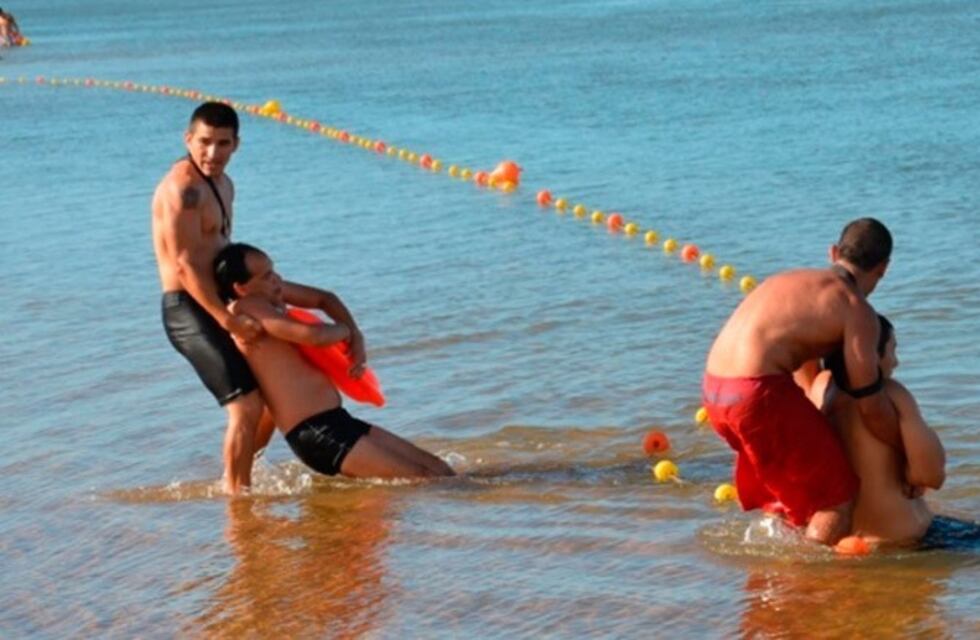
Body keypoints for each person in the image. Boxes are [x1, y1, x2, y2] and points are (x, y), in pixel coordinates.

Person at [153, 102, 368, 495]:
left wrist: (261, 290)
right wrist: (227, 319)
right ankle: (238, 500)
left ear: (236, 145)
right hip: (190, 309)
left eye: (222, 144)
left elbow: (220, 252)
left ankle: (242, 475)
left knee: (268, 399)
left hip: (220, 302)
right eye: (204, 143)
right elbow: (184, 264)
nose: (212, 153)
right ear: (188, 140)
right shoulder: (183, 190)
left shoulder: (224, 184)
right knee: (246, 407)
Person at [702, 218, 900, 545]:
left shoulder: (790, 281)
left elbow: (807, 382)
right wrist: (904, 455)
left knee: (789, 493)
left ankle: (776, 584)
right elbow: (871, 402)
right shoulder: (856, 308)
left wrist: (813, 432)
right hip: (755, 392)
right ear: (883, 269)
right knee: (835, 502)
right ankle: (808, 584)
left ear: (833, 252)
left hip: (714, 391)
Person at [213, 242, 455, 479]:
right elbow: (314, 336)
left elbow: (325, 299)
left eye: (274, 270)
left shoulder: (267, 297)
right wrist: (345, 331)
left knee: (440, 470)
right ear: (241, 288)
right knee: (424, 479)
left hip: (337, 420)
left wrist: (357, 337)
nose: (277, 279)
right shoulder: (247, 307)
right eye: (266, 276)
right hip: (316, 433)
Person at [809, 315, 945, 547]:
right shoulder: (893, 393)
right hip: (906, 538)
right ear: (870, 356)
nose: (896, 362)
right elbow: (930, 475)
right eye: (892, 350)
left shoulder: (822, 388)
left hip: (848, 538)